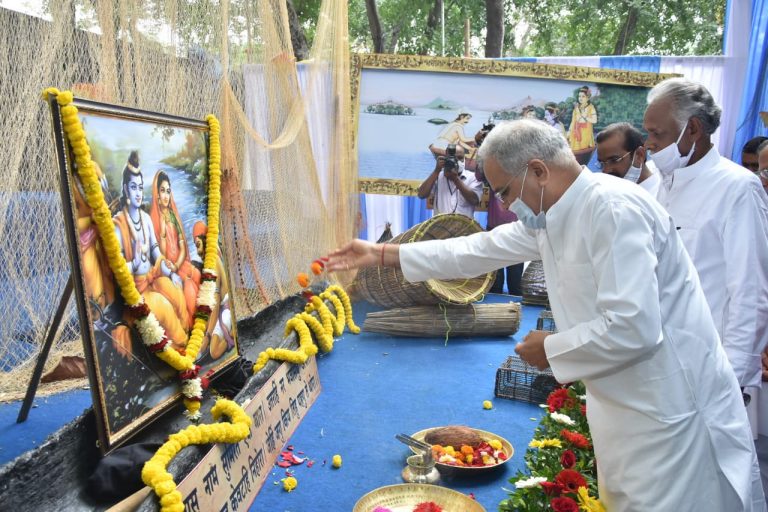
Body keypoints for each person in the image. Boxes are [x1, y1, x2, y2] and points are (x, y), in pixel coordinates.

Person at [328, 119, 764, 511]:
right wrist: (381, 253)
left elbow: (635, 327)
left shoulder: (612, 209)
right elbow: (479, 248)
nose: (503, 202)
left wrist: (551, 348)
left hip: (669, 409)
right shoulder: (551, 214)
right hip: (624, 402)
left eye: (503, 191)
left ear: (537, 171)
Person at [643, 78, 768, 416]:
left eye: (658, 134)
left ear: (693, 129)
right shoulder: (655, 184)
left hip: (708, 368)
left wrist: (733, 377)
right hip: (653, 361)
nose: (650, 145)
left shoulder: (738, 188)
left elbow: (751, 292)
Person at [111, 152, 189, 354]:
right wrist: (134, 265)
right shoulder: (118, 225)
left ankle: (190, 344)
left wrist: (170, 273)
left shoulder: (145, 219)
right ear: (126, 190)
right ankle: (180, 353)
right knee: (165, 308)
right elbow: (115, 271)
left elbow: (155, 251)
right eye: (133, 187)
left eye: (140, 187)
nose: (138, 193)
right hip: (136, 293)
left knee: (177, 295)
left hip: (153, 279)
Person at [149, 171, 201, 327]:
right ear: (157, 194)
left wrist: (178, 265)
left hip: (179, 263)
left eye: (168, 191)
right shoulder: (153, 220)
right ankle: (195, 329)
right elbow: (160, 255)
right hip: (166, 267)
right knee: (190, 286)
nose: (166, 195)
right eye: (162, 191)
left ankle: (206, 324)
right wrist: (163, 231)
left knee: (198, 274)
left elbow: (182, 247)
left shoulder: (173, 215)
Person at [192, 221, 234, 361]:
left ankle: (234, 331)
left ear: (205, 241)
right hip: (220, 310)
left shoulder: (214, 261)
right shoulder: (209, 263)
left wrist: (208, 335)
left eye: (198, 245)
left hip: (226, 309)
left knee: (214, 351)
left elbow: (215, 302)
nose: (198, 251)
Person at [595, 122, 660, 196]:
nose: (606, 171)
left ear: (639, 155)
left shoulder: (660, 197)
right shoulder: (610, 195)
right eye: (602, 164)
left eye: (614, 160)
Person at [417, 144, 483, 218]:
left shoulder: (473, 177)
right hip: (440, 226)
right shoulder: (438, 176)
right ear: (445, 159)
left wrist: (455, 179)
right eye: (453, 158)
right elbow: (421, 194)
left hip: (464, 227)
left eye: (460, 158)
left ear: (464, 159)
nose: (456, 161)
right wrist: (436, 171)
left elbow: (474, 201)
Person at [568, 86, 597, 152]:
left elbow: (594, 121)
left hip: (586, 133)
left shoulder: (591, 108)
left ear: (588, 97)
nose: (580, 98)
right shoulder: (576, 108)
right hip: (576, 131)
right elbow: (573, 121)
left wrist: (585, 117)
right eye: (579, 96)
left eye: (583, 96)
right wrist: (569, 132)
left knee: (583, 148)